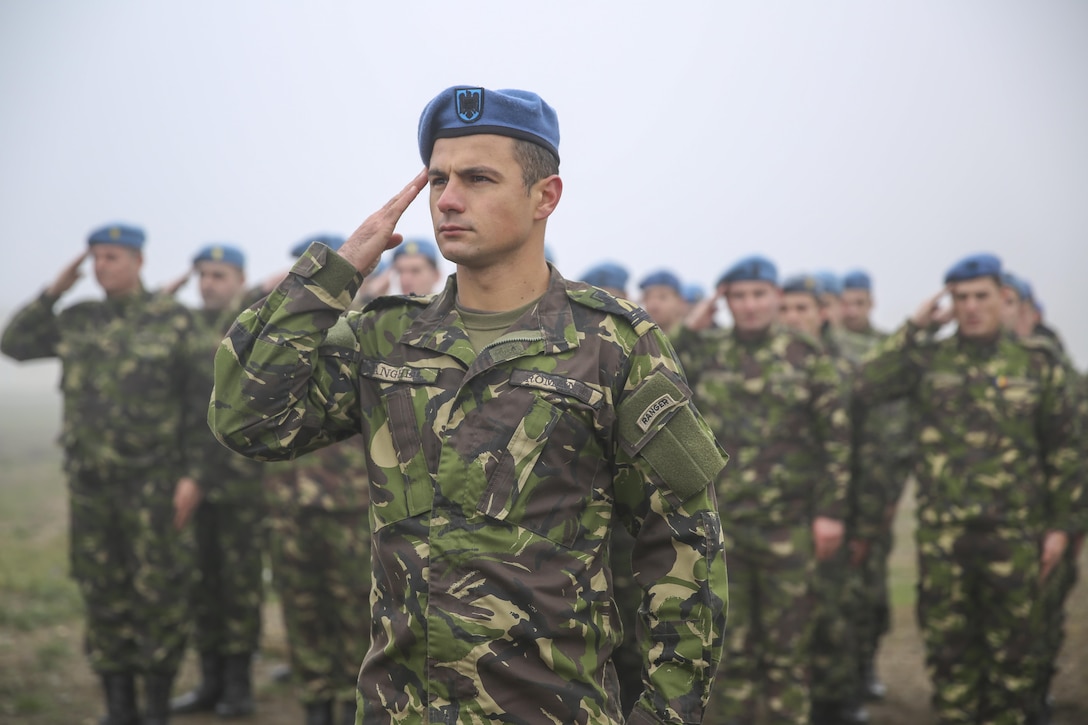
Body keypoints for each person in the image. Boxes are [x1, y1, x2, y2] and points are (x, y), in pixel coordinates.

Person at [208, 85, 729, 724]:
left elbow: (682, 541)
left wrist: (668, 715)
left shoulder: (615, 344)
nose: (448, 200)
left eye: (478, 178)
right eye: (437, 179)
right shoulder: (385, 337)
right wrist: (335, 273)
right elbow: (247, 420)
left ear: (546, 197)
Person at [853, 253, 1082, 724]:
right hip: (946, 542)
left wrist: (1062, 527)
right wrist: (915, 328)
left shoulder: (1038, 365)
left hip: (1017, 540)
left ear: (1004, 298)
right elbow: (862, 386)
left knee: (1014, 668)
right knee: (951, 664)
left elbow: (1066, 453)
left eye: (981, 296)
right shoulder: (928, 360)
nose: (971, 307)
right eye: (960, 298)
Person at [1, 223, 204, 725]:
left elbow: (201, 406)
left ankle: (155, 707)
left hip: (154, 484)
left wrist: (194, 475)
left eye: (112, 257)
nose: (101, 267)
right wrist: (54, 289)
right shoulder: (77, 319)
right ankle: (119, 707)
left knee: (157, 593)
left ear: (138, 261)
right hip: (91, 486)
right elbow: (14, 343)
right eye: (95, 258)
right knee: (102, 590)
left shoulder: (174, 322)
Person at [674, 255, 849, 725]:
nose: (749, 306)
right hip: (721, 528)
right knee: (727, 652)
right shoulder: (708, 352)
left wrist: (830, 513)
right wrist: (693, 324)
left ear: (775, 296)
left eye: (758, 295)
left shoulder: (807, 357)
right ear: (725, 301)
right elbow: (660, 366)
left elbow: (836, 440)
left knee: (787, 653)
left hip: (787, 528)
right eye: (739, 296)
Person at [259, 233, 374, 725]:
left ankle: (354, 706)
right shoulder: (279, 329)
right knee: (302, 612)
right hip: (290, 502)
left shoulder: (369, 325)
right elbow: (239, 366)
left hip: (353, 504)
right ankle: (313, 703)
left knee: (356, 617)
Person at [168, 243, 266, 718]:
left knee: (239, 587)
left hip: (238, 484)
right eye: (203, 275)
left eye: (220, 275)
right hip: (187, 480)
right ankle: (209, 682)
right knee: (200, 584)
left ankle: (238, 686)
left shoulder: (253, 326)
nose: (209, 283)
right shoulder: (183, 329)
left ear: (238, 280)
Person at [839, 268, 914, 705]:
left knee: (872, 592)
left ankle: (865, 665)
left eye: (859, 303)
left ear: (871, 303)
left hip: (876, 486)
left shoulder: (887, 351)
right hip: (836, 491)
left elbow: (901, 428)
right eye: (845, 302)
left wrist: (890, 492)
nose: (851, 310)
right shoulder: (828, 349)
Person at [637, 268, 687, 334]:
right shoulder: (641, 341)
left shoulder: (693, 339)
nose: (653, 304)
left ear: (680, 302)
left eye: (662, 297)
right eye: (648, 297)